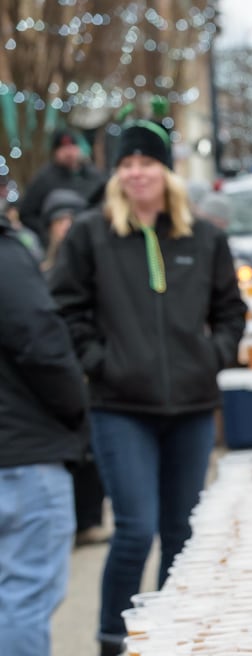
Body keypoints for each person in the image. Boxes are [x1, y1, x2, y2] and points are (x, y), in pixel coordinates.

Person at [48, 118, 245, 656]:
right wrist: (99, 362)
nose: (137, 173)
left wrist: (215, 354)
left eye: (147, 163)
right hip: (120, 407)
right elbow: (67, 309)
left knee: (182, 533)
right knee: (135, 528)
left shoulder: (204, 238)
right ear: (116, 173)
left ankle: (172, 649)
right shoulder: (90, 235)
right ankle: (112, 651)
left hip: (189, 405)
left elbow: (231, 309)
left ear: (166, 171)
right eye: (127, 164)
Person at [0, 208, 90, 656]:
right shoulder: (7, 256)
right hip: (22, 448)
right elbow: (40, 339)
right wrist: (77, 405)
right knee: (26, 596)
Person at [37, 188, 110, 548]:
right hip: (56, 369)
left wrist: (95, 359)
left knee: (91, 450)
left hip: (87, 368)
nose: (66, 227)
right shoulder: (37, 268)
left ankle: (89, 518)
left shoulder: (98, 262)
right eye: (59, 221)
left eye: (72, 219)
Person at [17, 130, 102, 245]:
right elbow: (26, 214)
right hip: (58, 245)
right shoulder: (44, 179)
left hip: (90, 240)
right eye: (64, 148)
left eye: (72, 147)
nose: (69, 152)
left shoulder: (93, 175)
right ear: (55, 152)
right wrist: (48, 231)